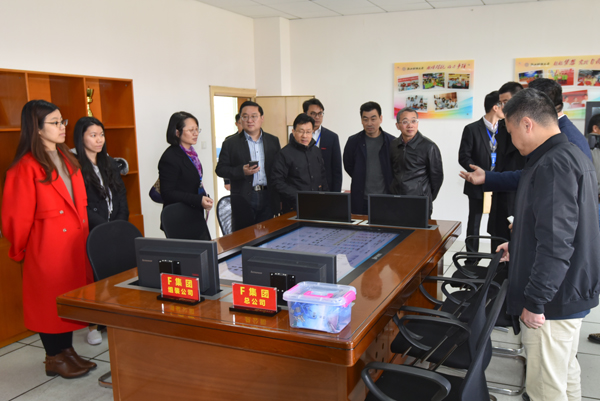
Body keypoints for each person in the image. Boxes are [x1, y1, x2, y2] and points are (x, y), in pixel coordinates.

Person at [497, 88, 600, 401]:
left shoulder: (553, 165)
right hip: (567, 291)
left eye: (511, 132)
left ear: (527, 124)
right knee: (565, 374)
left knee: (545, 389)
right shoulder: (568, 154)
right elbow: (554, 227)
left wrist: (536, 302)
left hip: (552, 301)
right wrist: (519, 245)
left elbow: (556, 244)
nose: (513, 141)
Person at [1, 100, 96, 378]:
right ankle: (54, 357)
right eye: (55, 122)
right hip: (47, 249)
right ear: (37, 128)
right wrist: (22, 250)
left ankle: (67, 352)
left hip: (74, 246)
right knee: (49, 305)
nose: (62, 127)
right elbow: (15, 219)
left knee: (68, 300)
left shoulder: (67, 157)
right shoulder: (25, 167)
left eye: (62, 121)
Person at [73, 116, 129, 345]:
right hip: (93, 230)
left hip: (115, 226)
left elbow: (121, 195)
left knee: (116, 274)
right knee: (94, 279)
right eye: (93, 135)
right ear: (81, 138)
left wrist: (120, 223)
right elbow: (81, 205)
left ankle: (114, 316)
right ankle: (93, 325)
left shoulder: (109, 162)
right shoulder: (75, 166)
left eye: (101, 135)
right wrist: (104, 227)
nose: (99, 140)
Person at [216, 101, 281, 224]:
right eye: (245, 116)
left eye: (254, 116)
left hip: (268, 196)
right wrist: (241, 171)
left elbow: (278, 169)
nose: (249, 120)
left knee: (268, 233)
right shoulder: (230, 143)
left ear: (262, 118)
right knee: (244, 233)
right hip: (243, 197)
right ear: (240, 119)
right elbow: (220, 169)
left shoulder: (273, 141)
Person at [458, 91, 504, 253]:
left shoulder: (506, 128)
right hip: (477, 183)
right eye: (503, 104)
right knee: (475, 222)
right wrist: (477, 172)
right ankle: (472, 258)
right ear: (495, 107)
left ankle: (496, 257)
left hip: (499, 182)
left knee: (498, 223)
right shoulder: (471, 129)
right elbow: (464, 156)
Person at [158, 111, 212, 239]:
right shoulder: (170, 157)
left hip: (194, 213)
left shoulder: (191, 154)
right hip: (178, 218)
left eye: (197, 129)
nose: (196, 133)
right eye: (191, 130)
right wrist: (198, 200)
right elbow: (167, 193)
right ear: (177, 132)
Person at [487, 82, 526, 252]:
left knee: (516, 243)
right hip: (501, 189)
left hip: (518, 191)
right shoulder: (502, 127)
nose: (503, 107)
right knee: (497, 238)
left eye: (506, 102)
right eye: (501, 102)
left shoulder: (528, 126)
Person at [343, 101, 395, 214]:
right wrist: (360, 176)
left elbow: (396, 169)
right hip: (361, 200)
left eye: (373, 119)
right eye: (365, 119)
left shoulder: (392, 142)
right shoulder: (353, 141)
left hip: (386, 200)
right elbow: (348, 166)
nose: (369, 123)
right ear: (361, 120)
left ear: (381, 119)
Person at [390, 107, 443, 217]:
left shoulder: (429, 147)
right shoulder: (393, 145)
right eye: (405, 122)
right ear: (397, 125)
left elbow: (437, 178)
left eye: (414, 121)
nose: (410, 125)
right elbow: (391, 171)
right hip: (396, 201)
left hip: (419, 203)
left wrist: (426, 197)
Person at [271, 113, 328, 212]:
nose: (304, 136)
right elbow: (277, 181)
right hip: (294, 206)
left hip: (317, 204)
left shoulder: (316, 151)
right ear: (293, 132)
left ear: (312, 132)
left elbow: (323, 178)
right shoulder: (284, 154)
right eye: (301, 131)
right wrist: (298, 196)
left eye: (308, 132)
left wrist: (326, 198)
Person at [303, 98, 342, 192]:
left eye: (320, 113)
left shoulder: (332, 137)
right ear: (305, 114)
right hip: (304, 188)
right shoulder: (298, 136)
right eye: (313, 113)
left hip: (325, 189)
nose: (317, 117)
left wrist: (335, 195)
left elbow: (337, 170)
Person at [223, 113, 243, 192]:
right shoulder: (229, 141)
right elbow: (225, 162)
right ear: (236, 124)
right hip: (235, 179)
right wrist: (227, 181)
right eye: (241, 123)